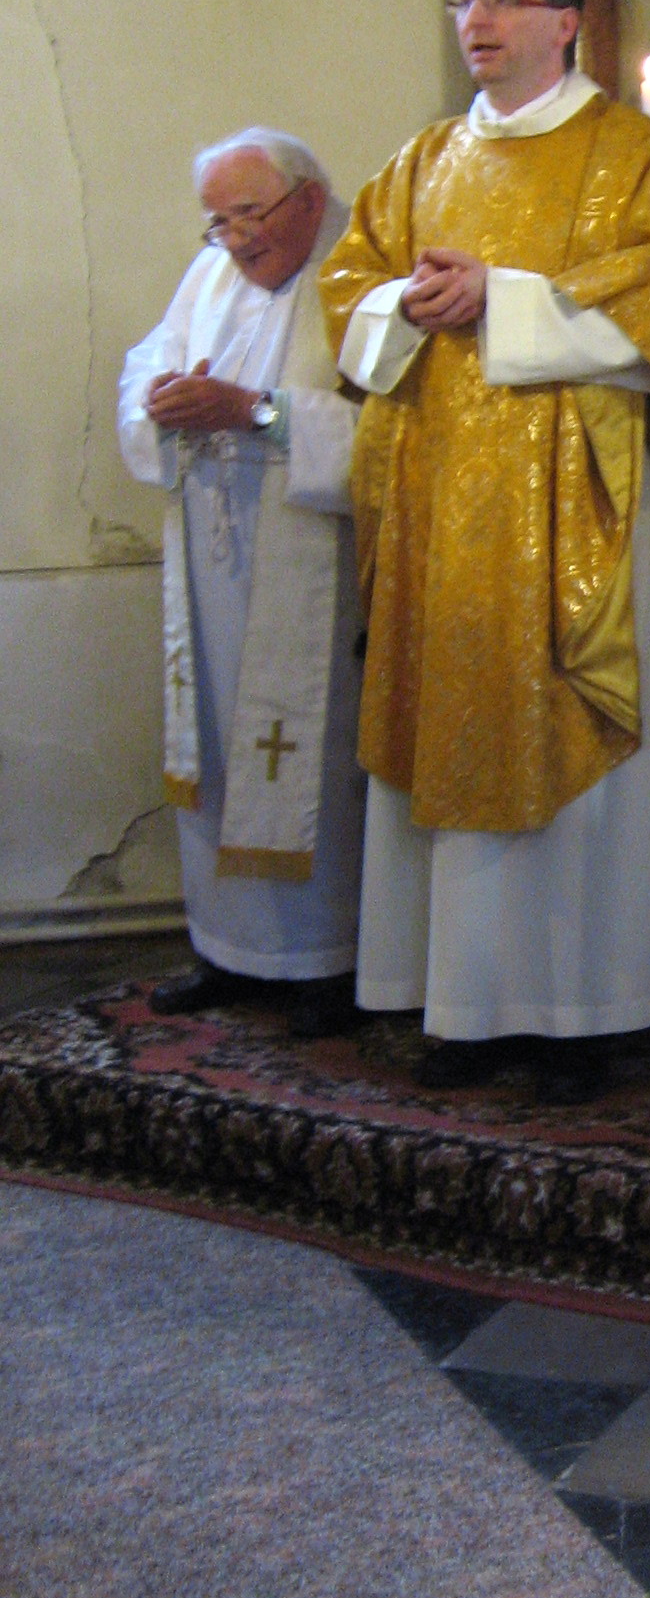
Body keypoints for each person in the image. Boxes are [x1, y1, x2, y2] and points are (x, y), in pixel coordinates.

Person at [318, 0, 650, 1107]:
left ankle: (583, 1008)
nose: (478, 20)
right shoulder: (423, 159)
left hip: (573, 498)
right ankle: (460, 997)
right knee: (442, 721)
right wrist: (406, 300)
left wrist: (501, 296)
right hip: (438, 500)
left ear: (565, 20)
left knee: (573, 732)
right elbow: (350, 287)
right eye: (465, 0)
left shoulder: (631, 155)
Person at [117, 130, 365, 1037]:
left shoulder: (359, 273)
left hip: (317, 560)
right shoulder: (213, 274)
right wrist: (158, 398)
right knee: (220, 744)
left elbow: (396, 433)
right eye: (217, 222)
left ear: (309, 200)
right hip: (215, 556)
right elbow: (149, 358)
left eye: (248, 215)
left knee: (316, 752)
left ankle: (327, 959)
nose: (233, 239)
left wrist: (257, 413)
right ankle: (228, 948)